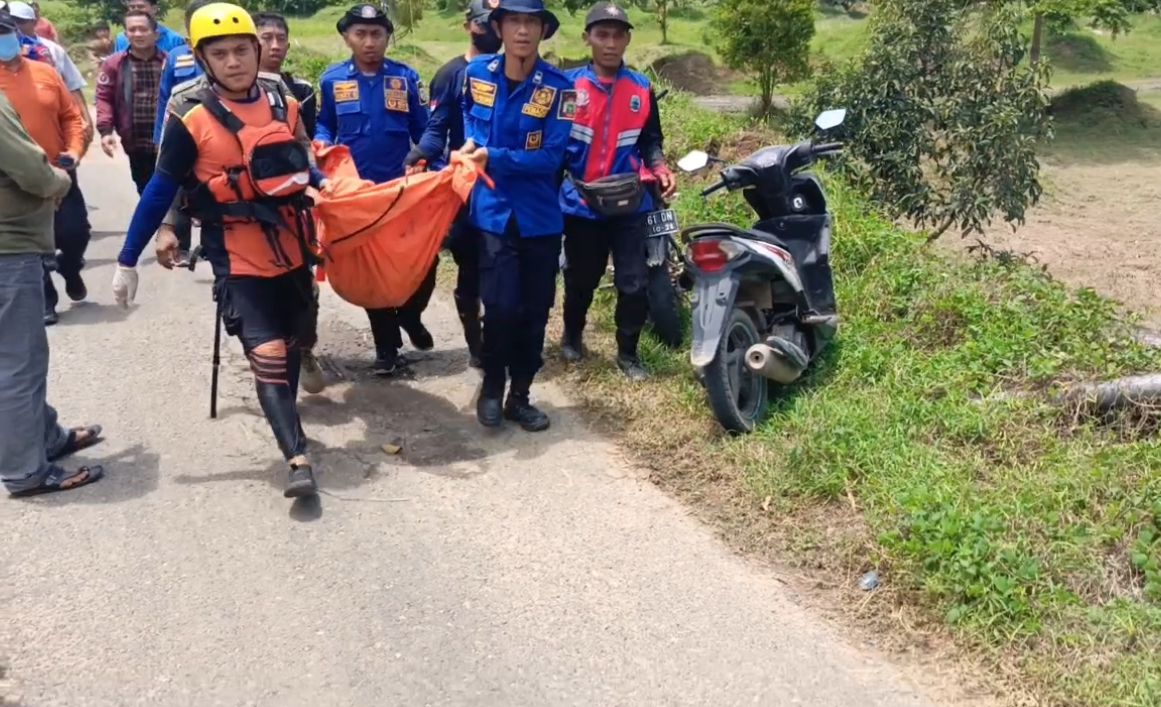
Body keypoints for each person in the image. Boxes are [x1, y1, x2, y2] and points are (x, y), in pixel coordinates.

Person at [112, 2, 326, 499]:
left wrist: (332, 187)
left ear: (257, 50)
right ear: (203, 60)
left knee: (293, 344)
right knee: (267, 351)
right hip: (236, 251)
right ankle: (297, 457)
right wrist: (128, 259)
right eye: (221, 53)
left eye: (242, 50)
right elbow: (162, 189)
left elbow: (305, 164)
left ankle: (286, 420)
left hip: (293, 245)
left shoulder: (283, 102)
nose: (234, 61)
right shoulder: (189, 116)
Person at [458, 0, 575, 431]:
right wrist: (471, 149)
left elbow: (550, 157)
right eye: (514, 22)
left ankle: (520, 395)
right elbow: (470, 126)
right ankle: (491, 384)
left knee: (535, 311)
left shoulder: (560, 88)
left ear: (543, 30)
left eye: (532, 22)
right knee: (501, 307)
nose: (523, 31)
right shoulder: (476, 75)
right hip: (491, 214)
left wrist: (495, 156)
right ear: (500, 28)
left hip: (540, 219)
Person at [0, 23, 104, 497]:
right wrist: (60, 182)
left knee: (16, 356)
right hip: (8, 244)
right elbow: (29, 170)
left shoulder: (41, 72)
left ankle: (45, 437)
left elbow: (72, 116)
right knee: (19, 362)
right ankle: (26, 470)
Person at [559, 2, 675, 381]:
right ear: (588, 38)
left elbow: (651, 141)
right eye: (602, 34)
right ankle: (573, 334)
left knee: (635, 282)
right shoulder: (568, 86)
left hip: (630, 202)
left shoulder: (642, 88)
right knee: (582, 278)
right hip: (582, 203)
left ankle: (628, 354)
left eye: (617, 35)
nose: (610, 43)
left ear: (627, 39)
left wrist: (659, 168)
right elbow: (555, 145)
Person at [316, 4, 433, 377]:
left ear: (387, 37)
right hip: (358, 198)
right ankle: (387, 349)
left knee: (422, 262)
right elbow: (323, 125)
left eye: (377, 34)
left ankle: (411, 316)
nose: (369, 42)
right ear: (347, 37)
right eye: (360, 34)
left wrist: (433, 166)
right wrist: (320, 148)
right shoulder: (332, 81)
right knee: (372, 272)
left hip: (401, 193)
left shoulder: (406, 78)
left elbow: (425, 129)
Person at [403, 0, 501, 370]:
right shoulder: (451, 74)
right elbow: (435, 128)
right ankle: (428, 322)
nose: (491, 31)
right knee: (448, 266)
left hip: (498, 186)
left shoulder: (512, 72)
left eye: (497, 24)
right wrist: (417, 158)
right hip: (458, 188)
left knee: (489, 268)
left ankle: (488, 341)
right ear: (468, 26)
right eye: (484, 23)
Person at [0, 12, 90, 326]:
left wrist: (75, 151)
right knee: (31, 244)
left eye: (5, 32)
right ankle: (46, 301)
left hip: (60, 170)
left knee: (75, 232)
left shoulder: (45, 72)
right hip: (14, 182)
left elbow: (71, 117)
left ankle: (70, 268)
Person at [254, 9, 324, 394]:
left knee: (304, 289)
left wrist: (320, 183)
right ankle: (268, 358)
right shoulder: (214, 93)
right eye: (267, 38)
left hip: (294, 209)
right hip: (243, 214)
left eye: (282, 38)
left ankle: (303, 346)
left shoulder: (301, 91)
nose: (276, 46)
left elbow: (307, 147)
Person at [152, 0, 213, 262]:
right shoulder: (176, 57)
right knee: (179, 189)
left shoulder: (235, 53)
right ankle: (183, 246)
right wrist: (161, 140)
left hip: (216, 139)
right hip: (184, 135)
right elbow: (165, 99)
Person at [95, 10, 166, 195]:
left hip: (168, 141)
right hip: (136, 143)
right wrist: (106, 131)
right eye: (132, 30)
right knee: (146, 191)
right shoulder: (114, 64)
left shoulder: (168, 61)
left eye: (143, 29)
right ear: (125, 34)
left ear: (156, 33)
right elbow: (104, 98)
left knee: (174, 194)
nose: (137, 34)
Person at [8, 1, 95, 149]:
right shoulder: (5, 51)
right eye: (12, 21)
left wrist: (85, 119)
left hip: (55, 122)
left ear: (34, 22)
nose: (16, 26)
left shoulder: (52, 50)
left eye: (21, 21)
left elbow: (73, 85)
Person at [114, 0, 186, 53]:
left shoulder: (174, 40)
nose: (136, 11)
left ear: (154, 9)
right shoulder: (122, 40)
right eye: (132, 7)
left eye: (140, 7)